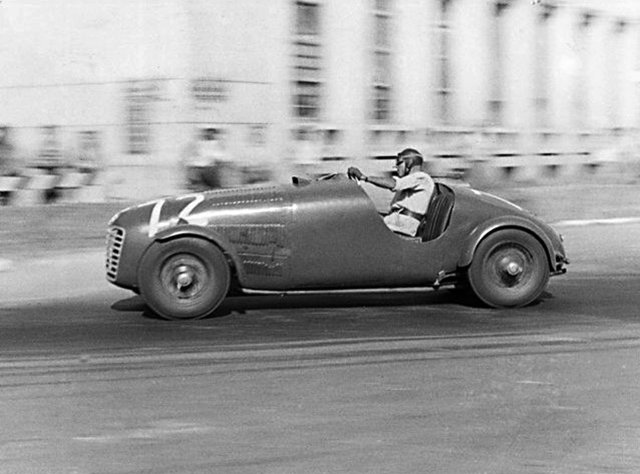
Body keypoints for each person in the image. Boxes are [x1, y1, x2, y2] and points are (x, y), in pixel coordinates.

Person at [348, 148, 434, 237]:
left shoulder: (422, 178)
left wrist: (364, 178)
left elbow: (393, 184)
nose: (396, 167)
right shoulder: (409, 182)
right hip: (394, 224)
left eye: (399, 163)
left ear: (409, 163)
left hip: (402, 228)